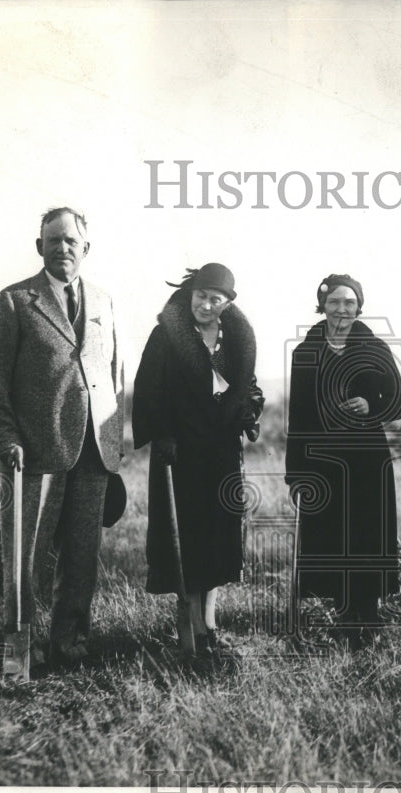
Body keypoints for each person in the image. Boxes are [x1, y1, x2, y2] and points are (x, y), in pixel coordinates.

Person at [0, 206, 124, 667]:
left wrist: (113, 436)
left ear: (86, 249)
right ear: (39, 246)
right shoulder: (15, 301)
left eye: (71, 241)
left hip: (93, 452)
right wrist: (6, 439)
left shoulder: (103, 301)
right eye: (54, 240)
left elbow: (114, 371)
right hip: (33, 453)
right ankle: (21, 652)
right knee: (26, 559)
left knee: (81, 559)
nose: (63, 248)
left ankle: (70, 644)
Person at [132, 263, 263, 665]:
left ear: (227, 303)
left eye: (216, 299)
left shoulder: (235, 340)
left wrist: (250, 411)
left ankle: (210, 625)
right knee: (186, 539)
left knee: (218, 537)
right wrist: (163, 434)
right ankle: (189, 627)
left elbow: (248, 387)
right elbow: (147, 390)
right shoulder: (166, 337)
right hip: (181, 455)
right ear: (190, 295)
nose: (207, 305)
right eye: (201, 296)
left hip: (221, 453)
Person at [285, 274, 401, 647]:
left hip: (368, 461)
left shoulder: (374, 347)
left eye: (350, 303)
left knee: (367, 537)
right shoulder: (305, 352)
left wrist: (372, 404)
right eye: (335, 302)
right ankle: (343, 621)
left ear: (360, 307)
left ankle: (368, 622)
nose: (342, 309)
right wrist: (296, 475)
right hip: (321, 462)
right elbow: (298, 416)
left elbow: (400, 400)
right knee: (331, 537)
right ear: (322, 305)